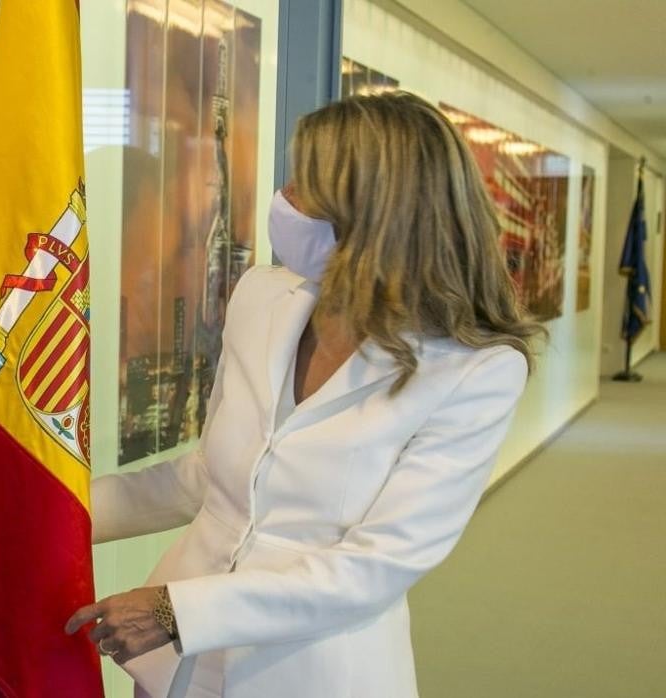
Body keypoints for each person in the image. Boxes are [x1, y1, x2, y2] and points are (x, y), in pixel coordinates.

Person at [66, 92, 544, 697]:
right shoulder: (261, 296)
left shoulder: (476, 371)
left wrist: (175, 612)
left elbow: (373, 568)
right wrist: (46, 513)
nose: (283, 197)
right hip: (174, 672)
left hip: (308, 672)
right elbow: (205, 480)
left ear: (374, 213)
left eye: (304, 185)